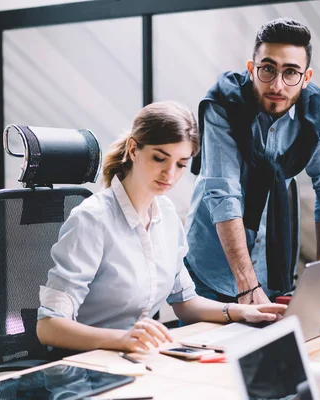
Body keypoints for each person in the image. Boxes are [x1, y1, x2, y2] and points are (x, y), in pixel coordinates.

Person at [36, 101, 287, 353]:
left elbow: (185, 302)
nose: (170, 174)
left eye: (181, 164)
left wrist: (240, 311)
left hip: (139, 358)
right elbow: (49, 326)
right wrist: (122, 340)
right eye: (159, 158)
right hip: (87, 364)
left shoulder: (166, 214)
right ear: (133, 149)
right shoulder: (92, 219)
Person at [185, 18, 320, 306]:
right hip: (212, 270)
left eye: (291, 73)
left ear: (306, 78)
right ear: (251, 69)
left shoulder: (317, 112)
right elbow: (224, 194)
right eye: (268, 69)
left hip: (273, 269)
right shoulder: (223, 105)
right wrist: (247, 286)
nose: (277, 85)